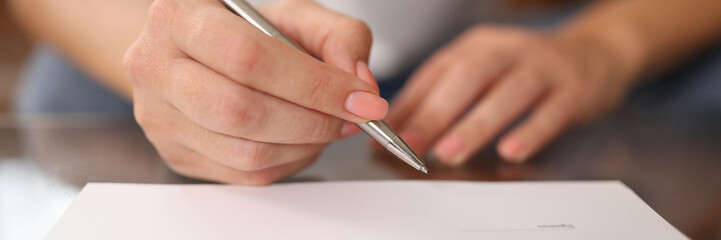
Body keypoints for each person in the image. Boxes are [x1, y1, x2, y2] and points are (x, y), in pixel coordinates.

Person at [8, 0, 721, 185]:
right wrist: (167, 60)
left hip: (495, 49)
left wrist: (606, 43)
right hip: (159, 32)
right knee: (61, 94)